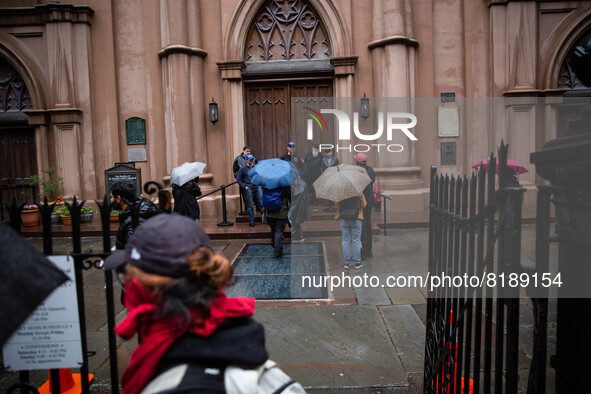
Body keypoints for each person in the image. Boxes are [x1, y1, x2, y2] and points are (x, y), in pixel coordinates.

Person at [102, 214, 271, 393]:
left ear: (147, 290)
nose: (125, 284)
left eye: (125, 276)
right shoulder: (240, 339)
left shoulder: (179, 385)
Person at [111, 180, 160, 250]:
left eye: (111, 197)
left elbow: (132, 250)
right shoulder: (138, 210)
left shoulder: (133, 221)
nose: (111, 200)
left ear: (118, 198)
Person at [335, 192, 367, 270]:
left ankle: (346, 263)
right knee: (356, 241)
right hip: (356, 218)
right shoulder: (358, 191)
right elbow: (364, 204)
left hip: (344, 218)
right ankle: (357, 263)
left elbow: (337, 205)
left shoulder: (340, 192)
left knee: (346, 241)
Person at [354, 153, 376, 260]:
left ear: (358, 161)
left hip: (362, 201)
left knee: (362, 225)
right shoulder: (370, 170)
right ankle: (369, 250)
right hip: (370, 200)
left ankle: (363, 251)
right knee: (368, 224)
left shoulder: (359, 171)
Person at [236, 153, 263, 227]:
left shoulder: (256, 167)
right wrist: (244, 187)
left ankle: (264, 218)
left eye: (252, 159)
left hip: (257, 188)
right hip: (249, 189)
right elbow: (238, 179)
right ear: (246, 160)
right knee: (250, 205)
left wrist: (259, 184)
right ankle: (251, 220)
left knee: (261, 204)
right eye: (250, 160)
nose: (251, 161)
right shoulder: (243, 169)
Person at [264, 186, 291, 258]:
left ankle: (274, 244)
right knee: (279, 231)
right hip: (281, 212)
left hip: (269, 211)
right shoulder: (285, 183)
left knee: (273, 230)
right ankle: (277, 251)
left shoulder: (266, 182)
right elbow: (291, 195)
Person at [233, 146, 256, 215]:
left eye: (249, 151)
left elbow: (256, 165)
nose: (248, 152)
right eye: (247, 151)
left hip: (252, 182)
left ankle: (256, 209)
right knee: (246, 198)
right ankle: (247, 211)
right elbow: (235, 169)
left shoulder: (253, 158)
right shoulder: (238, 159)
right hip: (244, 182)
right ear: (243, 151)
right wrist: (239, 179)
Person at [321, 148, 340, 212]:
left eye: (329, 152)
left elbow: (338, 167)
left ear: (331, 152)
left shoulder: (335, 159)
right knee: (327, 190)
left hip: (334, 176)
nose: (328, 154)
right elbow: (321, 168)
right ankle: (328, 203)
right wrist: (323, 175)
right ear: (325, 153)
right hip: (326, 176)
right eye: (326, 153)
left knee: (333, 189)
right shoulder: (323, 159)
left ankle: (332, 203)